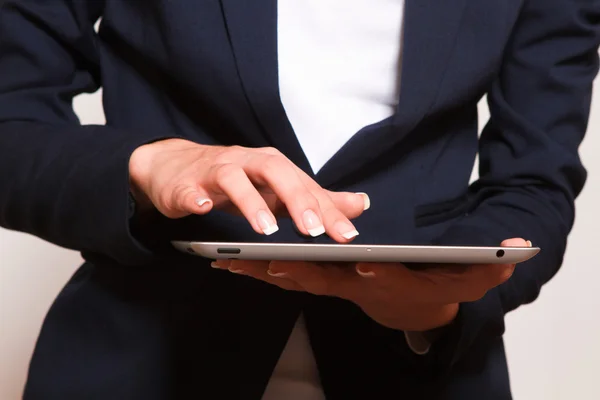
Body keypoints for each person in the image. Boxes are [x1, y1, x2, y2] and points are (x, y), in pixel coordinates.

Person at [0, 0, 598, 399]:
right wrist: (150, 163)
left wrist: (440, 304)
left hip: (424, 371)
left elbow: (533, 184)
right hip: (138, 359)